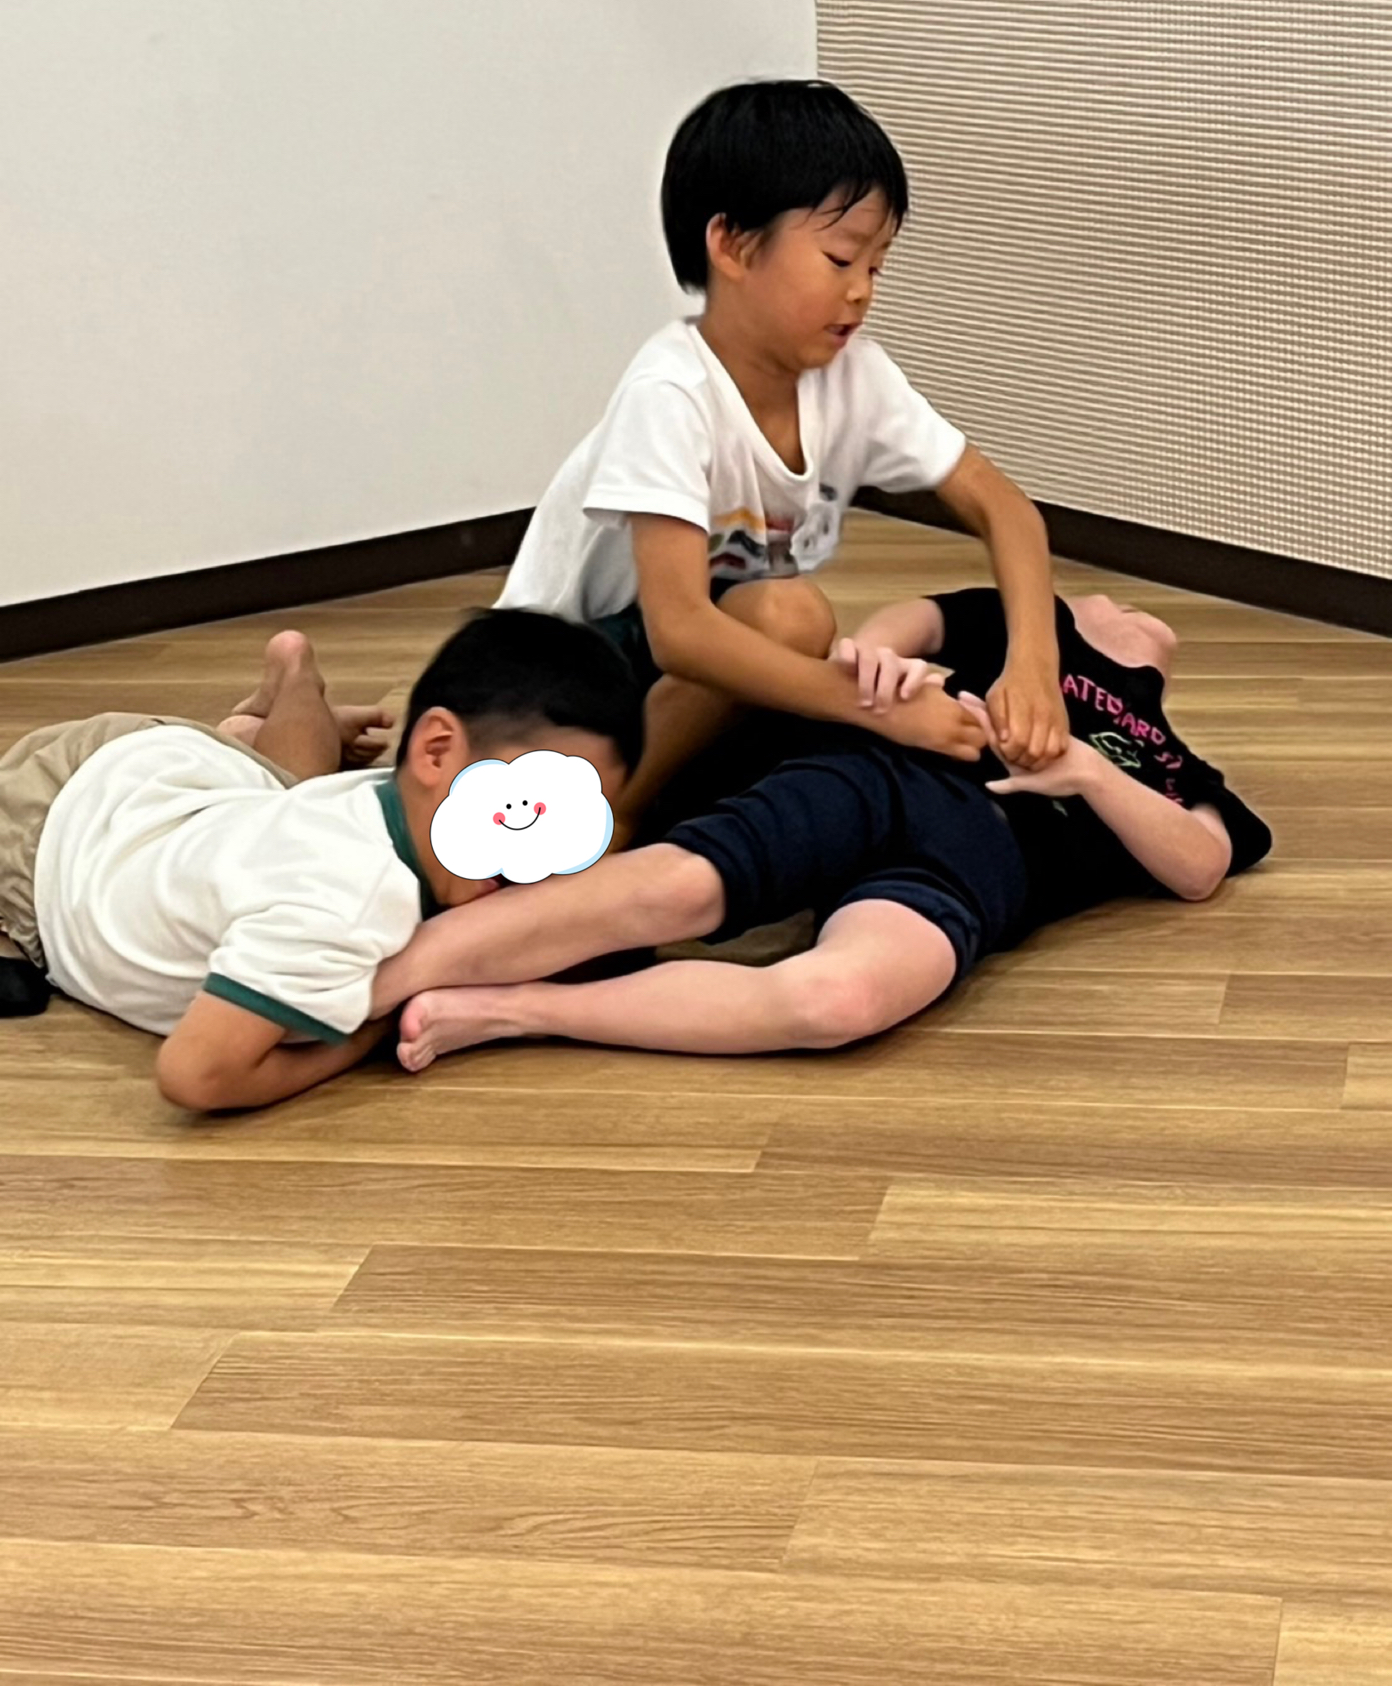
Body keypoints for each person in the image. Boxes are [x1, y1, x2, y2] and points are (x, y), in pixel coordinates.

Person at [497, 80, 1069, 845]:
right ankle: (617, 810)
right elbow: (679, 631)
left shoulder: (852, 375)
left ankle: (663, 790)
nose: (862, 292)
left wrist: (1032, 666)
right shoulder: (671, 392)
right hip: (549, 678)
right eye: (840, 259)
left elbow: (1002, 507)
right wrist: (875, 707)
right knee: (790, 620)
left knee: (794, 621)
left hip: (665, 680)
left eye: (877, 266)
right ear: (733, 246)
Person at [370, 589, 1272, 1067]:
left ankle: (518, 1010)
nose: (1138, 614)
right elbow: (902, 624)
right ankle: (360, 990)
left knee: (838, 1003)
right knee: (680, 887)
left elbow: (1201, 864)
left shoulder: (1172, 760)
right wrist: (880, 668)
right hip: (882, 771)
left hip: (979, 871)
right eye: (1114, 603)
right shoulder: (1026, 628)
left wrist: (1084, 769)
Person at [0, 612, 643, 1110]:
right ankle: (276, 702)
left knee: (289, 790)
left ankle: (281, 695)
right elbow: (197, 1075)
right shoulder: (342, 906)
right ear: (436, 751)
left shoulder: (400, 811)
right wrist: (359, 1037)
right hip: (51, 822)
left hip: (184, 780)